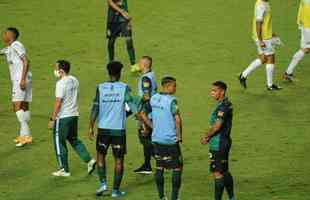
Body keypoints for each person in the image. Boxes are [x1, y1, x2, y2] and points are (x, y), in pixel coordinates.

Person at [88, 61, 137, 197]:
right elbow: (132, 107)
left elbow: (95, 108)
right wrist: (142, 122)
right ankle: (115, 191)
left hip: (103, 129)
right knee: (119, 160)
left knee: (100, 156)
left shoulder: (100, 87)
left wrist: (90, 127)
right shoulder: (124, 88)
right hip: (118, 131)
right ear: (120, 73)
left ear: (108, 73)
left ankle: (103, 184)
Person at [48, 60, 96, 177]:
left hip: (63, 117)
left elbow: (58, 102)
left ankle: (64, 169)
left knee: (59, 142)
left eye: (56, 68)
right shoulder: (74, 80)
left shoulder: (60, 84)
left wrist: (52, 119)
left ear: (61, 71)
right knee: (74, 139)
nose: (55, 71)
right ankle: (89, 160)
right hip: (74, 115)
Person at [141, 76, 183, 200]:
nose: (175, 88)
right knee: (177, 167)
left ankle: (161, 196)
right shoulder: (172, 101)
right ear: (168, 86)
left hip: (156, 139)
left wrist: (152, 126)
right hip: (170, 139)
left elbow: (142, 114)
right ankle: (174, 197)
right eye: (174, 86)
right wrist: (179, 136)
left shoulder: (153, 98)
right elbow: (177, 119)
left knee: (160, 166)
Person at [201, 81, 236, 200]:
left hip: (219, 143)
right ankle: (232, 197)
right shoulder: (225, 104)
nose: (212, 93)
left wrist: (207, 136)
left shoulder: (223, 107)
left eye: (214, 91)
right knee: (224, 170)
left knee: (217, 173)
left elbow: (217, 126)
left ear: (222, 91)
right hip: (223, 141)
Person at [239, 0, 282, 90]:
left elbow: (265, 22)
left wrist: (271, 33)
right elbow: (258, 23)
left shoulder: (263, 2)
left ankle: (243, 75)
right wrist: (260, 40)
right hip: (264, 37)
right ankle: (269, 85)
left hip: (264, 35)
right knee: (271, 58)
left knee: (263, 58)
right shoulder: (261, 6)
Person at [0, 27, 33, 147]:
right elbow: (3, 51)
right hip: (24, 78)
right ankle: (23, 134)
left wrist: (22, 79)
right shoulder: (10, 48)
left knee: (17, 106)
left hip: (21, 79)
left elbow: (26, 61)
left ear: (10, 35)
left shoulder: (16, 45)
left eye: (5, 34)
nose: (3, 36)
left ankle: (26, 136)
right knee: (24, 106)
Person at [134, 56, 158, 175]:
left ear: (144, 64)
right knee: (147, 138)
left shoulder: (145, 79)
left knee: (144, 137)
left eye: (139, 63)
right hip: (150, 111)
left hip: (146, 112)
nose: (138, 64)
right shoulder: (151, 75)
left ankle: (161, 160)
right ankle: (147, 165)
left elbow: (147, 96)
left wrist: (137, 104)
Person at [106, 0, 139, 72]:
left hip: (124, 19)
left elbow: (123, 3)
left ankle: (133, 64)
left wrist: (128, 19)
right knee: (111, 42)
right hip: (113, 19)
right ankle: (111, 63)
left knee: (129, 40)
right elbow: (109, 2)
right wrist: (122, 11)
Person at [284, 0, 310, 81]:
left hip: (304, 24)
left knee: (305, 49)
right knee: (306, 49)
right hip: (307, 26)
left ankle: (288, 73)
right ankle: (288, 73)